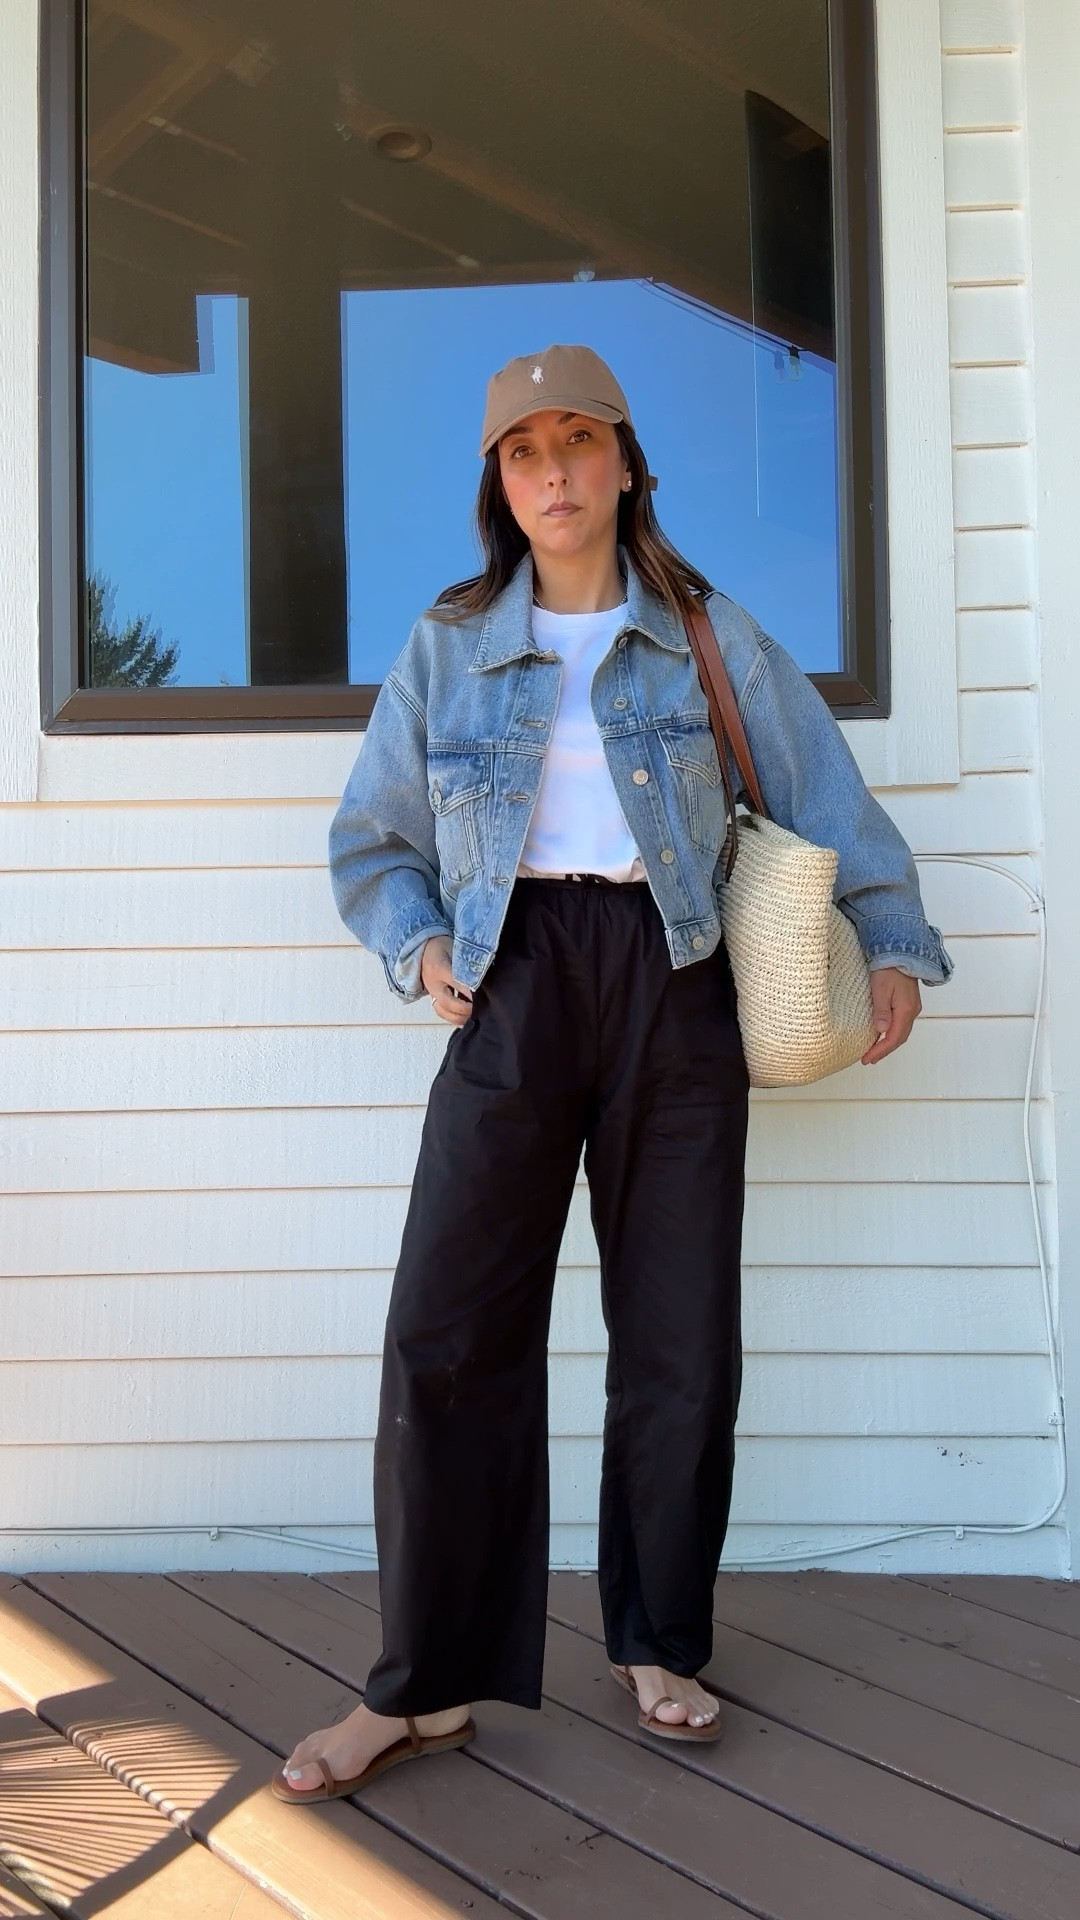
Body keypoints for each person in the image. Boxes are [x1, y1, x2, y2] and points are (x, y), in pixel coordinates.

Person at [272, 344, 952, 1803]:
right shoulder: (449, 648)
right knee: (444, 1335)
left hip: (678, 977)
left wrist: (889, 940)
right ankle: (425, 1684)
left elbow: (826, 794)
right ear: (499, 485)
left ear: (629, 465)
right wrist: (420, 947)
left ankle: (659, 1641)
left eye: (581, 442)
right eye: (527, 451)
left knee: (677, 1331)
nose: (557, 473)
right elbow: (369, 841)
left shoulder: (705, 633)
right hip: (514, 986)